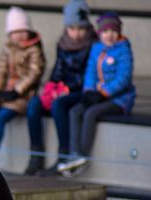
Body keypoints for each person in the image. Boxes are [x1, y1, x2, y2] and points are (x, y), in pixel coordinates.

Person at [58, 12, 136, 174]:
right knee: (75, 111)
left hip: (119, 98)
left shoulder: (123, 49)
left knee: (90, 113)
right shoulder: (97, 48)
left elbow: (124, 78)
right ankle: (73, 153)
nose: (110, 35)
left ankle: (83, 154)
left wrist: (104, 93)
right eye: (106, 31)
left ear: (119, 32)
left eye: (113, 31)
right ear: (100, 33)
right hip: (98, 95)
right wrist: (88, 92)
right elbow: (90, 73)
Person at [25, 0, 97, 176]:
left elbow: (89, 74)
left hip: (80, 91)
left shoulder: (93, 44)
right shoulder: (63, 43)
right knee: (34, 104)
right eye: (72, 28)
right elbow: (58, 69)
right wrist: (50, 86)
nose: (77, 33)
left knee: (59, 105)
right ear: (67, 28)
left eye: (81, 28)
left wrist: (65, 88)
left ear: (87, 27)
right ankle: (36, 155)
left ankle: (63, 155)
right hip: (62, 89)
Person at [0, 6, 45, 159]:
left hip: (23, 96)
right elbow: (1, 71)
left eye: (20, 31)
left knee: (0, 119)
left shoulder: (34, 49)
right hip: (5, 94)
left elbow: (34, 73)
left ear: (27, 31)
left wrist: (17, 91)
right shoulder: (8, 48)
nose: (17, 36)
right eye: (13, 32)